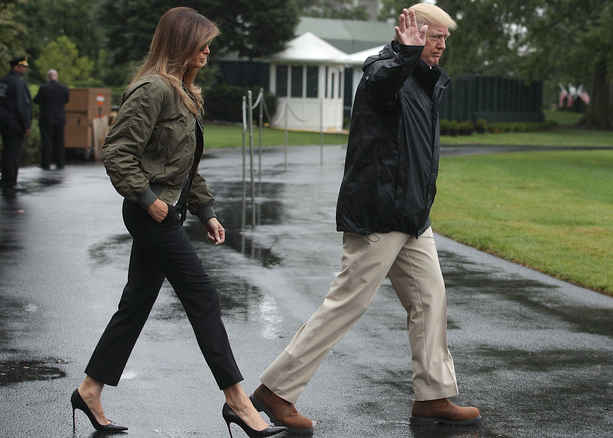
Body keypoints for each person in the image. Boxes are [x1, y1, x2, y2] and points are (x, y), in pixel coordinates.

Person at [250, 4, 480, 434]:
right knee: (347, 304)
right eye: (435, 37)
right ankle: (276, 391)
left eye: (445, 39)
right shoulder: (384, 68)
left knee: (431, 301)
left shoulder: (428, 83)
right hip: (378, 214)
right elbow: (382, 80)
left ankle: (433, 396)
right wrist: (404, 53)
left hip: (413, 218)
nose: (441, 46)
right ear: (411, 34)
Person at [71, 8, 284, 437]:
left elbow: (185, 165)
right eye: (201, 42)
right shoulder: (152, 90)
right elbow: (116, 152)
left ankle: (89, 390)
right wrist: (149, 202)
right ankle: (238, 402)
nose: (207, 50)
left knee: (135, 305)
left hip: (168, 211)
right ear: (180, 44)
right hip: (151, 214)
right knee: (203, 296)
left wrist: (206, 211)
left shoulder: (184, 92)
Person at [0, 55, 32, 191]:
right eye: (24, 66)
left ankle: (5, 179)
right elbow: (22, 106)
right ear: (17, 66)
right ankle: (11, 182)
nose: (25, 69)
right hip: (15, 123)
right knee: (13, 154)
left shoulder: (3, 81)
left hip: (4, 122)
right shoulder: (17, 82)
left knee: (6, 152)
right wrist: (26, 125)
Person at [33, 69, 69, 170]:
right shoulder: (64, 88)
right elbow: (66, 100)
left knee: (46, 141)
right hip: (59, 118)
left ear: (48, 77)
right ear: (56, 77)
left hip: (46, 118)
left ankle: (46, 163)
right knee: (59, 141)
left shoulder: (44, 88)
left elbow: (36, 100)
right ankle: (60, 162)